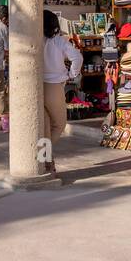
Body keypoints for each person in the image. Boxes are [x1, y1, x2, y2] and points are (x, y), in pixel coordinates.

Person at [42, 10, 83, 171]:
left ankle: (45, 158)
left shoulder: (36, 40)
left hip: (37, 85)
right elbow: (77, 57)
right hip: (53, 86)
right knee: (59, 124)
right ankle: (44, 155)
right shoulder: (59, 41)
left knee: (45, 126)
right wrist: (72, 74)